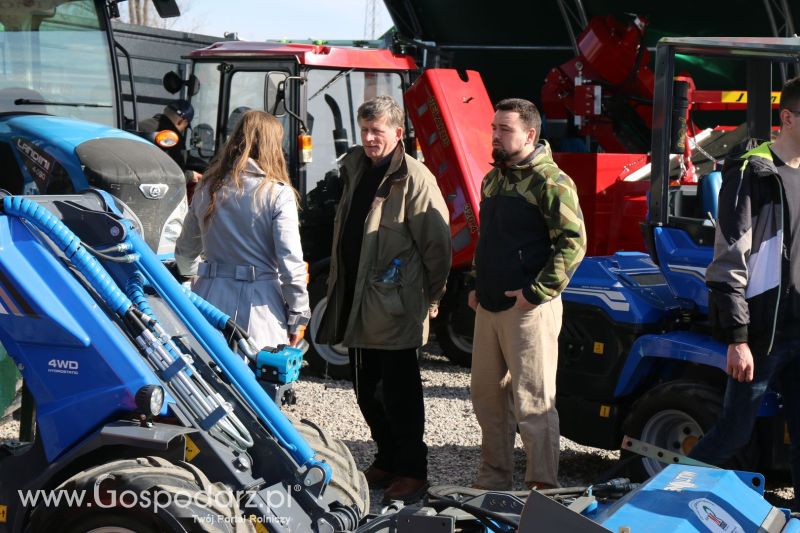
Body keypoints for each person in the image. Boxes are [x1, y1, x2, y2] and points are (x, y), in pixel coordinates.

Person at [316, 95, 451, 504]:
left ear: (398, 133)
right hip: (358, 297)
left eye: (378, 131)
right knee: (364, 387)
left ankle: (412, 470)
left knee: (399, 392)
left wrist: (431, 298)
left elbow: (437, 247)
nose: (370, 138)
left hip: (395, 305)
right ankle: (388, 458)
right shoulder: (356, 168)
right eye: (365, 130)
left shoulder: (414, 178)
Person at [688, 76, 800, 507]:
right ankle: (666, 501)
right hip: (763, 334)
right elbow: (728, 264)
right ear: (787, 118)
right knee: (733, 431)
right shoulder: (752, 172)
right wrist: (738, 339)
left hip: (798, 329)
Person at [467, 98, 586, 491]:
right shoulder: (494, 179)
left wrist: (536, 293)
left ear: (530, 134)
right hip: (489, 307)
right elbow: (488, 240)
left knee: (534, 404)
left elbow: (573, 243)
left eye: (505, 130)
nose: (495, 136)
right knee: (487, 399)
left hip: (529, 310)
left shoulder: (551, 182)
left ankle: (542, 490)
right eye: (494, 128)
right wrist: (474, 284)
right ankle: (492, 486)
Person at [174, 110, 309, 350]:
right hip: (260, 305)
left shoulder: (207, 187)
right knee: (258, 381)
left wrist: (193, 279)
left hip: (207, 298)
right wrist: (298, 318)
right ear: (273, 145)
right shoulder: (277, 194)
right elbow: (291, 264)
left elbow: (185, 253)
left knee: (203, 378)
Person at [140, 99, 202, 184]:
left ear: (165, 110)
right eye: (185, 127)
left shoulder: (140, 125)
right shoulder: (173, 139)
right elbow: (174, 175)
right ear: (181, 122)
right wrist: (190, 175)